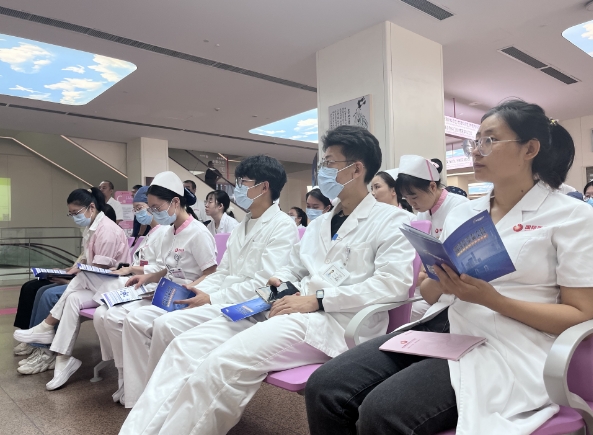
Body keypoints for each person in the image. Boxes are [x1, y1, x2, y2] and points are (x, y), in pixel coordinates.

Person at [305, 100, 593, 435]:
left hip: (512, 342)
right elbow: (429, 293)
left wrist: (493, 300)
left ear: (529, 149)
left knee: (383, 412)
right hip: (446, 322)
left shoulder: (571, 216)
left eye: (489, 140)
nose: (476, 151)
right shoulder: (465, 213)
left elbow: (580, 314)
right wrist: (441, 279)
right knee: (325, 387)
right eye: (475, 141)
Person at [119, 125, 416, 435]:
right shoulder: (320, 226)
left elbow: (392, 285)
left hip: (335, 322)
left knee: (223, 363)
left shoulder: (392, 221)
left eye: (330, 163)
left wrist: (317, 300)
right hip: (285, 306)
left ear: (356, 169)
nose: (323, 171)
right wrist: (279, 282)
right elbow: (294, 268)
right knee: (185, 346)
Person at [122, 155, 299, 408]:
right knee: (157, 321)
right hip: (223, 296)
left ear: (264, 187)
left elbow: (264, 286)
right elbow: (223, 272)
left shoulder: (282, 226)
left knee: (166, 325)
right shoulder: (241, 227)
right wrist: (196, 289)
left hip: (249, 307)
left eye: (243, 182)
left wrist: (211, 297)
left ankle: (163, 402)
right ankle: (156, 400)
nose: (237, 188)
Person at [117, 171, 218, 407]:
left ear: (175, 202)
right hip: (169, 294)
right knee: (131, 320)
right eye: (150, 208)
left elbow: (212, 273)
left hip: (187, 298)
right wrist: (149, 278)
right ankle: (138, 389)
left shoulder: (198, 233)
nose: (153, 213)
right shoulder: (169, 232)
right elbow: (168, 267)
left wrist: (186, 289)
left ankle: (151, 390)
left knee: (137, 321)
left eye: (156, 207)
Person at [14, 188, 130, 384]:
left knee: (81, 277)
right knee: (73, 299)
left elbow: (99, 269)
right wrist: (73, 270)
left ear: (91, 207)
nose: (74, 217)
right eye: (71, 213)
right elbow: (87, 261)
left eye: (76, 213)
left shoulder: (107, 230)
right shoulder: (92, 228)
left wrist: (75, 273)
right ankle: (63, 360)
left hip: (115, 287)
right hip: (98, 287)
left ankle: (45, 326)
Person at [93, 186, 168, 404]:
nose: (138, 213)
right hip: (140, 282)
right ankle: (123, 372)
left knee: (111, 310)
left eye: (141, 208)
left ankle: (128, 376)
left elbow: (162, 268)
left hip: (151, 285)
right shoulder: (148, 234)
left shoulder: (165, 232)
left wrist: (133, 269)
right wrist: (132, 269)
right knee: (99, 314)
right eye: (135, 209)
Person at [396, 155, 469, 321]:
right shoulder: (422, 214)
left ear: (432, 186)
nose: (411, 203)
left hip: (455, 286)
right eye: (406, 199)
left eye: (414, 197)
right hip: (432, 286)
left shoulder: (460, 206)